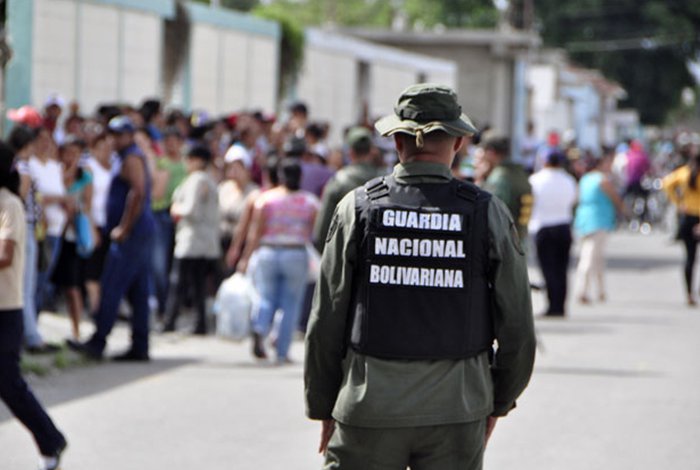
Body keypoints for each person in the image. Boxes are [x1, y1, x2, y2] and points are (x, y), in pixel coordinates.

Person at [304, 84, 536, 469]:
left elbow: (326, 319)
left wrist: (324, 406)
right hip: (458, 411)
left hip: (368, 408)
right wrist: (497, 401)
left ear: (396, 140)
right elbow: (517, 324)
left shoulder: (357, 208)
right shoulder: (487, 212)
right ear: (459, 143)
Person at [0, 141, 68, 470]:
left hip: (4, 309)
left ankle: (50, 439)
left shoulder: (9, 204)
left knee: (8, 382)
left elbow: (5, 254)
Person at [68, 116, 155, 361]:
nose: (115, 139)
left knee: (112, 285)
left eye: (120, 135)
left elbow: (137, 191)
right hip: (138, 233)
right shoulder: (125, 156)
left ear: (129, 135)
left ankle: (98, 341)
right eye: (112, 135)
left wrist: (124, 228)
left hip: (132, 235)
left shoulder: (131, 157)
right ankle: (140, 344)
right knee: (138, 291)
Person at [239, 159, 319, 363]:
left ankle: (260, 326)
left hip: (268, 251)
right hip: (296, 252)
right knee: (290, 304)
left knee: (266, 296)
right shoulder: (310, 202)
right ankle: (282, 352)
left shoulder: (266, 200)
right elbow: (313, 232)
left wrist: (246, 257)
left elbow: (255, 232)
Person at [7, 125, 56, 354]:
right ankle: (31, 337)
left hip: (23, 227)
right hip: (23, 228)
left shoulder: (12, 164)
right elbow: (20, 198)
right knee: (25, 286)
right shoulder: (22, 166)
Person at [162, 146, 221, 334]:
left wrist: (175, 209)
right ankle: (199, 324)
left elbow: (190, 210)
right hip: (202, 240)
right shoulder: (207, 179)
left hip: (192, 239)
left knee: (178, 282)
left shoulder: (198, 180)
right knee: (197, 284)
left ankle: (170, 321)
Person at [312, 126, 384, 253]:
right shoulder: (384, 180)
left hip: (345, 254)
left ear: (350, 152)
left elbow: (322, 228)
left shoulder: (338, 181)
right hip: (376, 256)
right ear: (372, 151)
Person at [51, 136, 93, 340]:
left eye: (75, 154)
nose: (71, 157)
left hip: (72, 237)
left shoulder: (85, 176)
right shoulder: (55, 172)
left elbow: (86, 205)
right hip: (53, 232)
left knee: (73, 286)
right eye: (67, 153)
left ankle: (77, 330)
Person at [529, 152, 578, 317]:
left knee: (548, 269)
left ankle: (552, 305)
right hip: (563, 225)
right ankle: (560, 305)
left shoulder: (536, 180)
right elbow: (573, 200)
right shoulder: (568, 180)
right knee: (562, 269)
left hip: (543, 226)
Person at [573, 149, 625, 304]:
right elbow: (615, 198)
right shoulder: (602, 180)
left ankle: (601, 290)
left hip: (584, 219)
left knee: (597, 257)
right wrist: (623, 209)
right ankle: (582, 290)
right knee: (590, 257)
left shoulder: (585, 179)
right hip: (598, 220)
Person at [150, 126, 186, 318]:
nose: (172, 145)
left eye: (175, 140)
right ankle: (163, 305)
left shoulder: (187, 165)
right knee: (159, 265)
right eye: (168, 141)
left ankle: (174, 307)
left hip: (183, 218)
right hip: (162, 215)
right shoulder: (160, 164)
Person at [662, 150, 700, 305]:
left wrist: (678, 202)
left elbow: (666, 184)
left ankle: (689, 293)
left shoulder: (683, 173)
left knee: (690, 258)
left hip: (687, 217)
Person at [481, 136, 533, 242]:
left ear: (491, 152)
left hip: (505, 243)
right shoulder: (519, 173)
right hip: (520, 239)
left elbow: (492, 215)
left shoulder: (499, 178)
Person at [84, 133, 112, 314]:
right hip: (95, 223)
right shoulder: (90, 168)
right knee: (93, 269)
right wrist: (92, 227)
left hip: (111, 225)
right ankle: (96, 307)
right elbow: (87, 202)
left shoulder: (115, 166)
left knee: (107, 268)